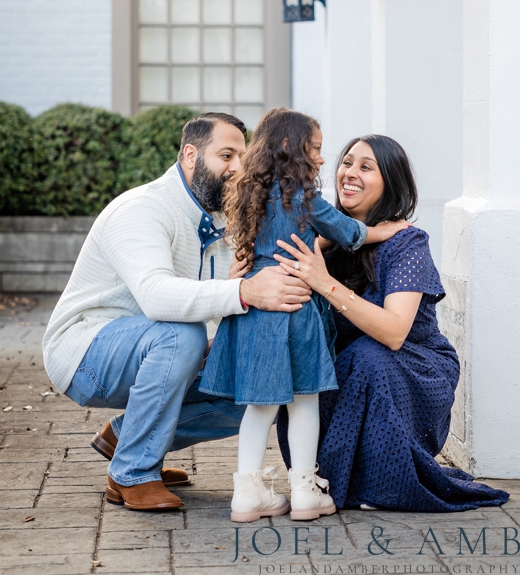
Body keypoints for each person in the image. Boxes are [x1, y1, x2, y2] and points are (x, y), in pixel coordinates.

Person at [41, 112, 319, 512]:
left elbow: (224, 303)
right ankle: (132, 473)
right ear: (191, 155)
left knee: (259, 378)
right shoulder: (141, 209)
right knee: (180, 335)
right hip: (85, 353)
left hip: (156, 347)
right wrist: (241, 289)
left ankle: (127, 439)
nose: (238, 167)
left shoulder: (222, 218)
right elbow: (157, 297)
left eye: (243, 156)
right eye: (226, 155)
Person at [272, 135, 510, 512]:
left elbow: (395, 332)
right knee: (312, 366)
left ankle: (385, 482)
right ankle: (318, 478)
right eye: (347, 162)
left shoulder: (406, 243)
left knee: (369, 355)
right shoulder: (322, 240)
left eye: (366, 167)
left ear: (391, 183)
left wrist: (325, 283)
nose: (349, 173)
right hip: (347, 367)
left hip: (414, 367)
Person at [199, 109, 409, 522]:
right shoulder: (304, 199)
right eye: (314, 148)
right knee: (304, 401)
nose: (320, 158)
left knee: (258, 407)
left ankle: (247, 493)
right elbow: (349, 232)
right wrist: (383, 231)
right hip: (294, 310)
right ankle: (304, 491)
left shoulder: (247, 194)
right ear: (288, 148)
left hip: (255, 311)